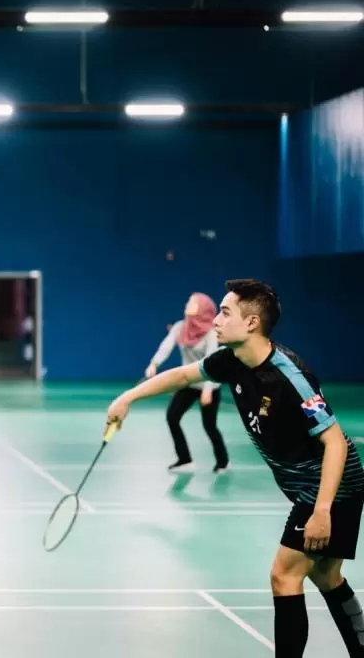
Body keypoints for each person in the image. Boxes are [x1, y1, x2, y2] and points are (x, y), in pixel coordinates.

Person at [107, 279, 364, 657]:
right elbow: (181, 376)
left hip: (329, 485)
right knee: (326, 575)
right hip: (313, 486)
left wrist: (323, 510)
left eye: (225, 313)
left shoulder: (290, 377)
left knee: (284, 576)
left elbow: (335, 443)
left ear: (252, 323)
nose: (215, 321)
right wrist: (128, 397)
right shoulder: (231, 362)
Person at [145, 292, 230, 473]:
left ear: (202, 308)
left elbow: (212, 360)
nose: (187, 303)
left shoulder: (211, 333)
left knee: (209, 426)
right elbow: (165, 347)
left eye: (192, 302)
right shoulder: (181, 327)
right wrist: (154, 364)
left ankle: (223, 462)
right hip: (189, 383)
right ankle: (185, 459)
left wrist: (207, 390)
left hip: (209, 384)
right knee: (172, 417)